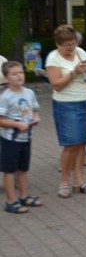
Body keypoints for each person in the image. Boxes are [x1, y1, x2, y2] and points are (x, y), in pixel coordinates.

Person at [46, 24, 86, 198]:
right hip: (65, 105)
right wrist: (74, 73)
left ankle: (79, 181)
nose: (71, 48)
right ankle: (64, 182)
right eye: (67, 45)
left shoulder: (81, 52)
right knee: (71, 145)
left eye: (73, 43)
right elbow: (56, 85)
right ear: (58, 44)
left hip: (83, 101)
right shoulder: (53, 59)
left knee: (82, 142)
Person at [0, 61, 42, 213]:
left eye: (21, 72)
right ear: (6, 77)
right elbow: (1, 119)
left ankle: (24, 196)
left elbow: (35, 110)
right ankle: (11, 201)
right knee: (9, 170)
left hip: (26, 138)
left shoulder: (29, 93)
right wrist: (16, 125)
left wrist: (36, 118)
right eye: (14, 73)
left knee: (23, 168)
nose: (19, 76)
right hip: (11, 139)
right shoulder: (5, 97)